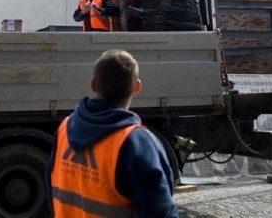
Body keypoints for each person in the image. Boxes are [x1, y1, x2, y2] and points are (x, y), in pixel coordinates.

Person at [47, 49, 178, 217]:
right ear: (137, 87)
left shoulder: (66, 128)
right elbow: (160, 211)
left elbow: (50, 190)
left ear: (93, 84)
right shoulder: (136, 143)